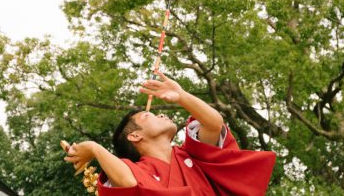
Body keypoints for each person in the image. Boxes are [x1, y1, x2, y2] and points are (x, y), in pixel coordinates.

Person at [63, 70, 276, 195]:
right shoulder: (135, 170)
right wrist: (93, 148)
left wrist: (182, 95)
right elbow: (128, 184)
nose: (162, 115)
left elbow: (214, 124)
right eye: (149, 116)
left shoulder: (193, 155)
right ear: (135, 136)